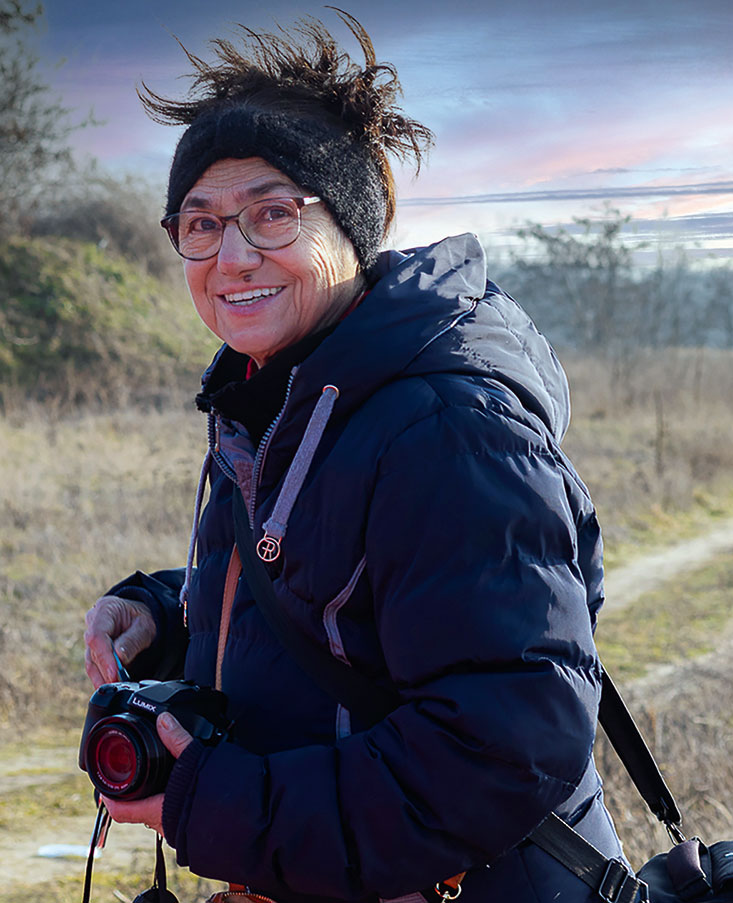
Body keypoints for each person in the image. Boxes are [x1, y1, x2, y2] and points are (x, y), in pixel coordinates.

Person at [83, 12, 628, 903]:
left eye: (271, 214)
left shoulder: (446, 426)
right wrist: (162, 615)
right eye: (201, 223)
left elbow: (501, 749)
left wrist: (216, 801)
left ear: (349, 229)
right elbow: (333, 609)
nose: (232, 255)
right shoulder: (271, 398)